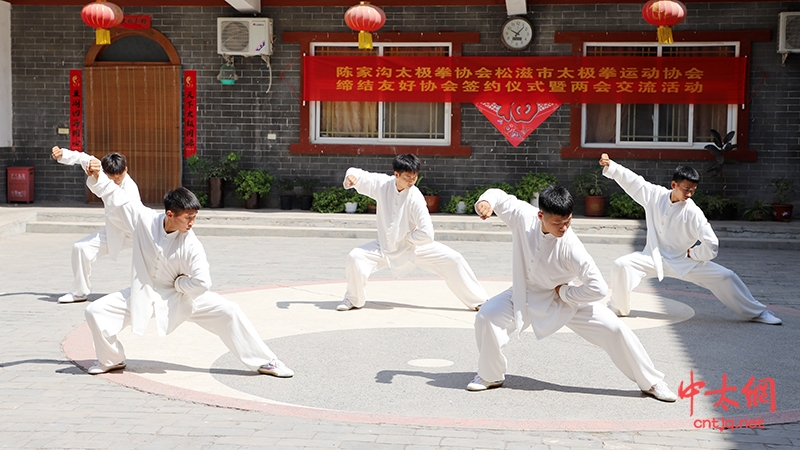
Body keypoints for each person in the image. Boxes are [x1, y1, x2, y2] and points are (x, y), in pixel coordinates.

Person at [82, 158, 293, 377]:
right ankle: (111, 358)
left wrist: (182, 284)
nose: (192, 223)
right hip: (145, 292)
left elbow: (203, 283)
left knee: (230, 310)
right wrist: (97, 176)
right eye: (188, 217)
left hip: (183, 295)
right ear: (170, 214)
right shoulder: (144, 220)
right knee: (95, 311)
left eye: (194, 217)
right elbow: (117, 197)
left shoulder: (191, 243)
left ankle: (267, 361)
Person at [468, 185, 677, 402]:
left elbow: (598, 288)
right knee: (487, 315)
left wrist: (566, 293)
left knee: (615, 328)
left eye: (568, 221)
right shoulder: (524, 216)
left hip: (562, 299)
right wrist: (485, 203)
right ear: (541, 216)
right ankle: (490, 375)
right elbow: (499, 196)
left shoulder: (572, 247)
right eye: (557, 222)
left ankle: (652, 382)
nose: (563, 227)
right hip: (523, 294)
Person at [599, 153, 781, 326]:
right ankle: (618, 308)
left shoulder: (693, 212)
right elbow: (634, 182)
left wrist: (694, 253)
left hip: (684, 262)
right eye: (686, 189)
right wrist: (612, 167)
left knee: (726, 276)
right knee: (622, 265)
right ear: (674, 184)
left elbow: (712, 244)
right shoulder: (655, 195)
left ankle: (757, 313)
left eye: (693, 190)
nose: (689, 194)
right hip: (652, 258)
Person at [337, 154, 488, 311]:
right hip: (384, 246)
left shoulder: (415, 196)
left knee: (453, 258)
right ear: (396, 174)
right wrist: (350, 178)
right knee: (356, 257)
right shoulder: (382, 184)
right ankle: (353, 299)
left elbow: (428, 234)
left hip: (413, 247)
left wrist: (409, 237)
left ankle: (479, 301)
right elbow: (356, 172)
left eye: (414, 177)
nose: (411, 181)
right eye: (407, 177)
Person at [51, 146, 140, 303]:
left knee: (150, 262)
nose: (117, 180)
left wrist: (98, 177)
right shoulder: (98, 168)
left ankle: (146, 294)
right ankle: (79, 291)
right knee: (81, 248)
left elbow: (112, 195)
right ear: (106, 173)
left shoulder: (130, 189)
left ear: (126, 169)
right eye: (113, 178)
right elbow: (81, 157)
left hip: (137, 233)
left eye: (120, 176)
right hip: (115, 231)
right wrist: (62, 154)